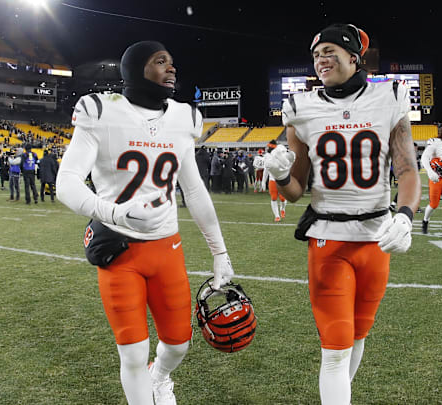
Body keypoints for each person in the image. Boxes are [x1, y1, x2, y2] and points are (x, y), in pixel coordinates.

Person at [56, 40, 234, 405]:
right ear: (137, 68)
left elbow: (195, 192)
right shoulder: (101, 111)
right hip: (121, 251)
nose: (171, 68)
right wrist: (112, 212)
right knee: (133, 352)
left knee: (178, 343)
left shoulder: (183, 118)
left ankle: (161, 377)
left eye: (172, 61)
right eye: (160, 61)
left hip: (167, 249)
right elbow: (66, 183)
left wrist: (220, 251)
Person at [265, 23, 420, 405]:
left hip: (376, 238)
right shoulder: (300, 108)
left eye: (330, 51)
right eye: (317, 54)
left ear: (355, 57)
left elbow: (407, 170)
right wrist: (282, 174)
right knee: (334, 349)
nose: (321, 59)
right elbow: (297, 191)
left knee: (357, 337)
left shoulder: (390, 97)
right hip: (328, 240)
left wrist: (404, 215)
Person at [262, 140, 288, 222]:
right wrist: (263, 181)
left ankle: (283, 208)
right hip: (272, 179)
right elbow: (266, 169)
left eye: (268, 147)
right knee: (273, 197)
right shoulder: (267, 156)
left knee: (283, 199)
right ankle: (277, 216)